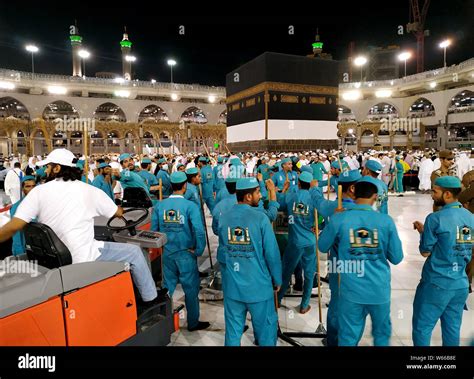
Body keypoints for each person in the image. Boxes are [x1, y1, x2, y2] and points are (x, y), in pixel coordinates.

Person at [0, 149, 159, 307]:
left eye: (48, 166)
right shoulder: (89, 190)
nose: (45, 170)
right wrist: (120, 210)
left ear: (57, 168)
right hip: (83, 258)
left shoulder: (37, 193)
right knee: (134, 252)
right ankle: (150, 299)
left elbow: (14, 225)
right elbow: (117, 212)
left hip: (54, 258)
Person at [318, 180, 403, 346]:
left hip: (351, 291)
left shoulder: (339, 219)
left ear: (353, 194)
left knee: (348, 337)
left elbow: (322, 246)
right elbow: (396, 258)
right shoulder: (386, 221)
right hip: (379, 290)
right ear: (375, 197)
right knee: (381, 335)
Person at [217, 177, 282, 346]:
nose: (260, 196)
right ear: (248, 196)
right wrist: (277, 280)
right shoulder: (261, 219)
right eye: (258, 192)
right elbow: (272, 255)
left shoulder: (224, 218)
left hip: (233, 288)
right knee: (266, 333)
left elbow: (222, 254)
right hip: (258, 288)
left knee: (232, 333)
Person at [412, 176, 474, 346]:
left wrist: (424, 233)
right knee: (452, 328)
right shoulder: (470, 217)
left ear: (447, 194)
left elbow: (425, 252)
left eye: (435, 191)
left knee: (422, 327)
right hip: (460, 283)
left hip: (436, 283)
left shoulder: (435, 218)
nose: (432, 195)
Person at [151, 171, 210, 331]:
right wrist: (198, 250)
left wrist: (162, 248)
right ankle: (192, 322)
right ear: (185, 186)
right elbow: (198, 231)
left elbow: (154, 231)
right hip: (186, 253)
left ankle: (165, 324)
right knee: (190, 289)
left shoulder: (160, 205)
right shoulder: (190, 206)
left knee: (167, 289)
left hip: (168, 254)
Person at [309, 169, 361, 346]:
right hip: (362, 267)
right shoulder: (369, 210)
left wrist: (314, 188)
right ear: (353, 188)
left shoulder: (335, 208)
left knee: (337, 305)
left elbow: (318, 203)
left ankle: (333, 341)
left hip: (339, 266)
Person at [277, 171, 316, 314]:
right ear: (310, 184)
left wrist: (284, 189)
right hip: (310, 242)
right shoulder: (314, 198)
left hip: (294, 241)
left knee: (286, 272)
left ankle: (278, 300)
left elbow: (279, 204)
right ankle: (304, 305)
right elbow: (322, 219)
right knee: (309, 274)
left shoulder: (291, 197)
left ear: (298, 183)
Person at [9, 175, 36, 256]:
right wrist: (20, 253)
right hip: (25, 249)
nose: (31, 189)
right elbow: (16, 233)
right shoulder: (17, 207)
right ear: (22, 188)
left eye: (33, 186)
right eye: (28, 186)